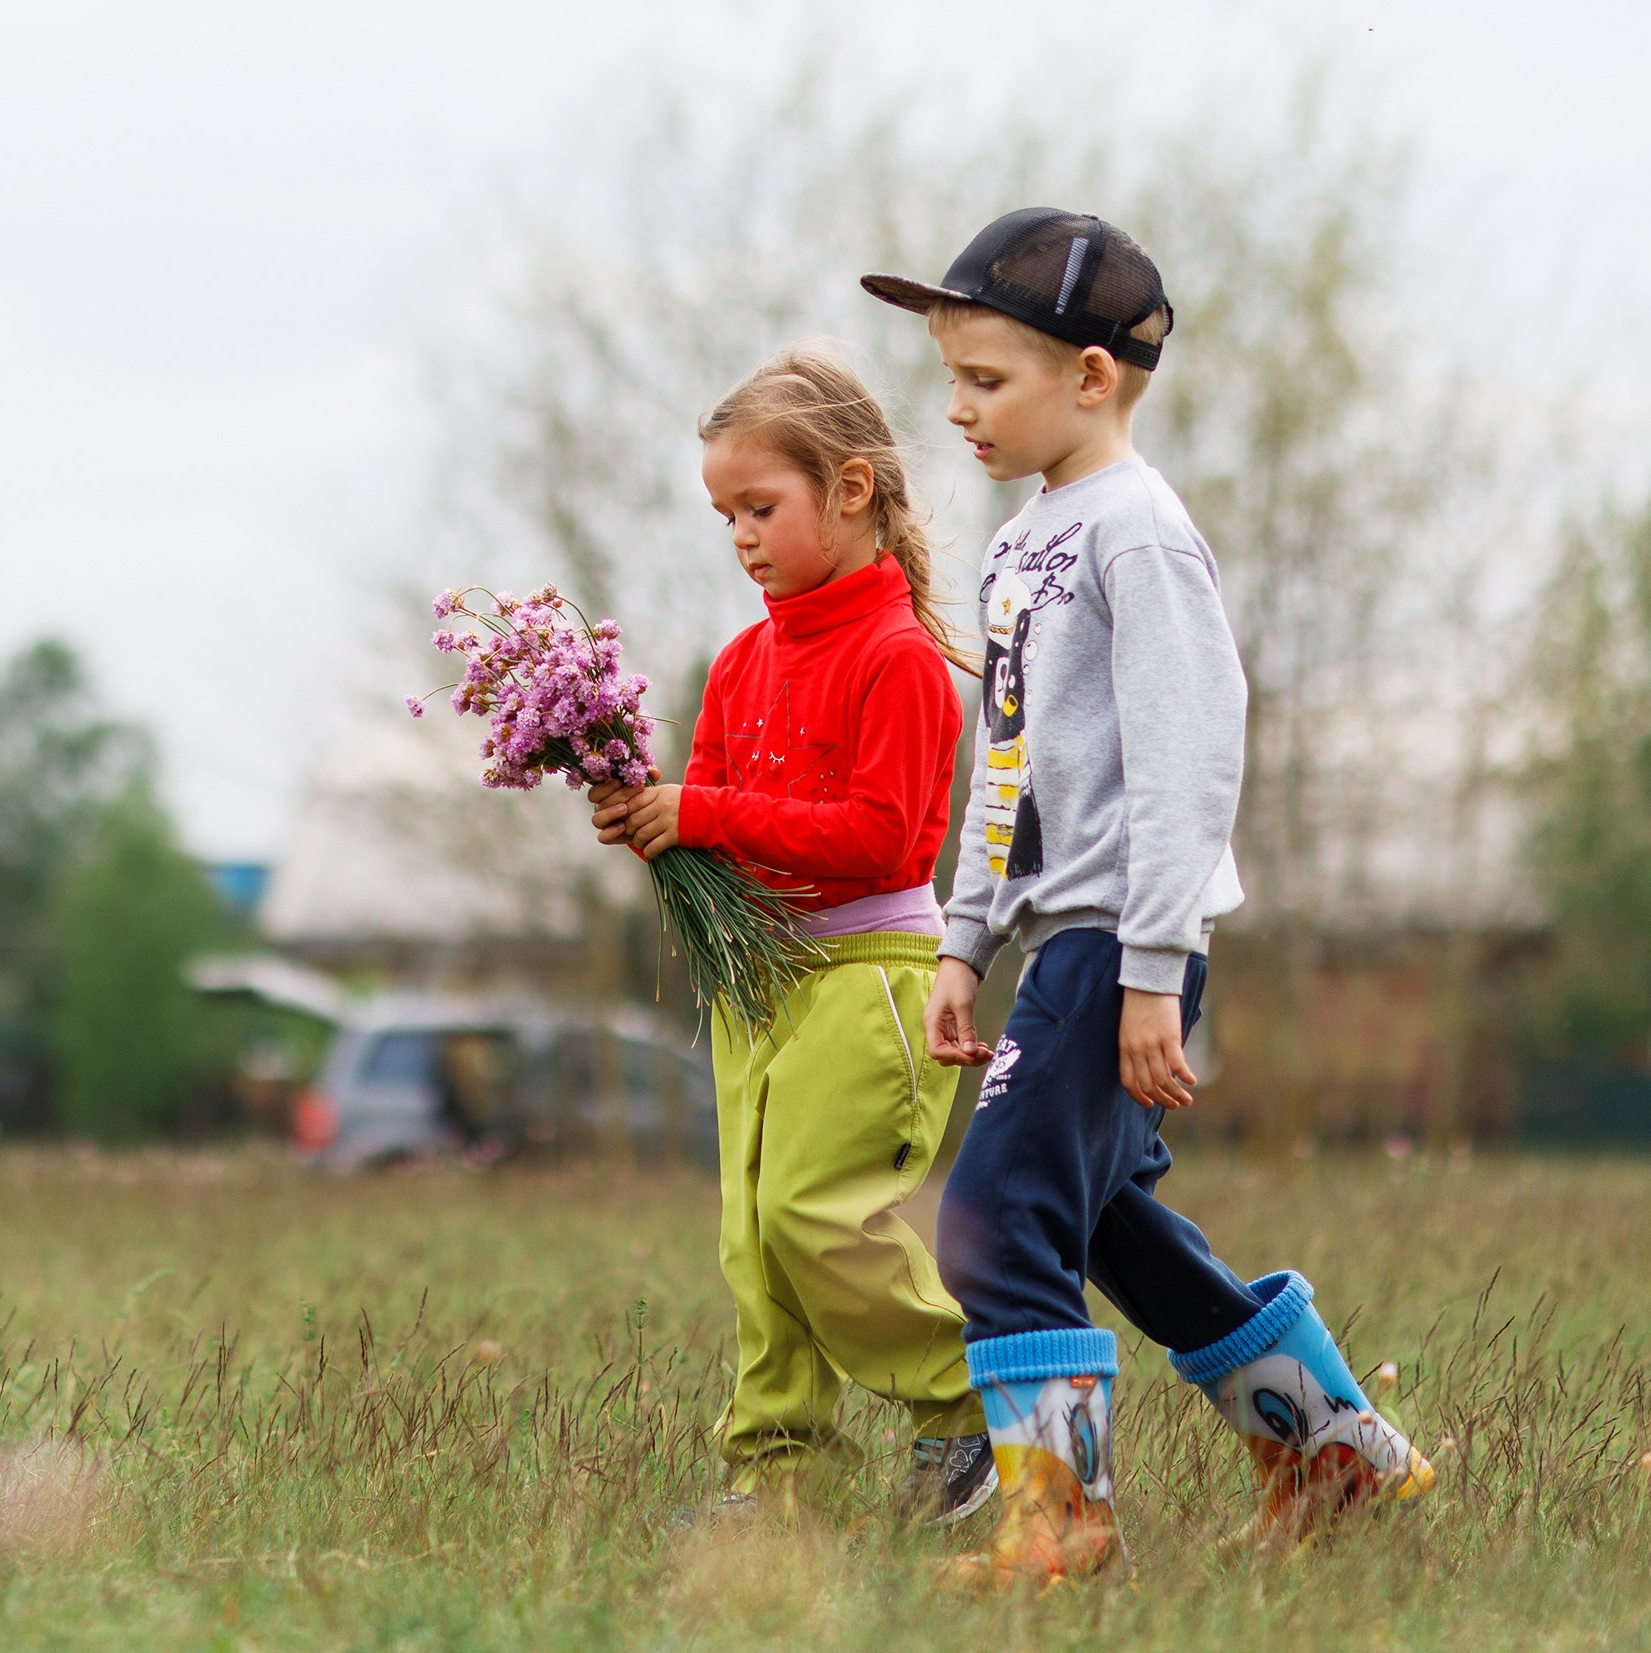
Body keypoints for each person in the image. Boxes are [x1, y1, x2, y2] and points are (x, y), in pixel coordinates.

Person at [860, 209, 1434, 1586]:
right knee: (1104, 1222)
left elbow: (1188, 760)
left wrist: (1153, 967)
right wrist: (965, 938)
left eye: (986, 380)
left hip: (1126, 935)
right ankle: (1335, 1450)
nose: (957, 410)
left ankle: (1060, 1520)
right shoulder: (1020, 547)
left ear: (1093, 376)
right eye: (951, 379)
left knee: (995, 1217)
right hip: (1060, 935)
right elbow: (1002, 758)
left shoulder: (1140, 534)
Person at [589, 343, 995, 1524]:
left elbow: (881, 842)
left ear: (853, 490)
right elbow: (717, 817)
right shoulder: (738, 662)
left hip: (869, 975)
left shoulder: (901, 660)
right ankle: (781, 1484)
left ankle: (967, 1411)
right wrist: (651, 821)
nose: (741, 537)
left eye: (759, 507)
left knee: (819, 1219)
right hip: (759, 977)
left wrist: (700, 810)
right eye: (726, 516)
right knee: (752, 1242)